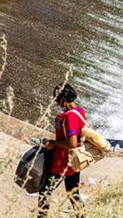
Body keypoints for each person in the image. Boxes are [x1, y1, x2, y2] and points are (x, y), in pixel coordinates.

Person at [39, 83, 86, 217]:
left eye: (57, 101)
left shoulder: (70, 116)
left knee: (45, 192)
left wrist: (54, 143)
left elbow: (72, 143)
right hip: (73, 162)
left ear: (64, 100)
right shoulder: (79, 111)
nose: (57, 104)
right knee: (73, 194)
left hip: (62, 162)